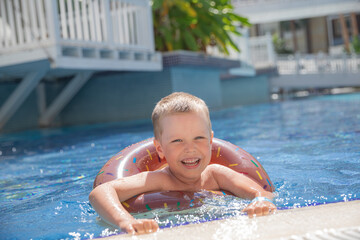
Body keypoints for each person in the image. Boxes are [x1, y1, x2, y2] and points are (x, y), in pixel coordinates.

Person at [89, 92, 276, 235]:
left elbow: (262, 193)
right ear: (160, 149)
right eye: (177, 141)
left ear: (211, 141)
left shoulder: (216, 174)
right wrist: (126, 221)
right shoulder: (158, 180)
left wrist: (261, 200)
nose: (190, 149)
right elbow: (100, 193)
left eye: (199, 138)